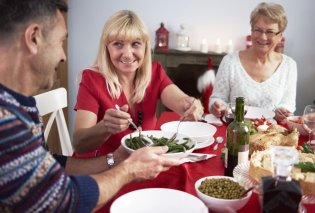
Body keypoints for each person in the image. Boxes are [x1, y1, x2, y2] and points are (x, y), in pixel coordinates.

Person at [0, 1, 180, 212]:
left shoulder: (21, 106)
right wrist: (128, 170)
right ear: (33, 38)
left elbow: (51, 163)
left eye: (136, 44)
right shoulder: (6, 122)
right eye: (60, 42)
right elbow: (65, 202)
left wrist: (118, 158)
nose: (64, 56)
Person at [72, 10, 204, 157]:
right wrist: (105, 127)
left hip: (141, 166)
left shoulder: (155, 72)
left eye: (136, 44)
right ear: (106, 47)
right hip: (103, 168)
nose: (128, 54)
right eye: (118, 44)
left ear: (146, 47)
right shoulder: (92, 79)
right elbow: (79, 144)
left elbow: (180, 101)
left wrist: (191, 104)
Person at [209, 2, 297, 122]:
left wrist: (283, 111)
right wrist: (217, 106)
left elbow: (288, 103)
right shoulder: (230, 61)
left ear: (280, 36)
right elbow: (217, 98)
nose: (263, 37)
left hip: (270, 134)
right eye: (258, 30)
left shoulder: (289, 66)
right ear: (251, 31)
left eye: (270, 32)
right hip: (235, 132)